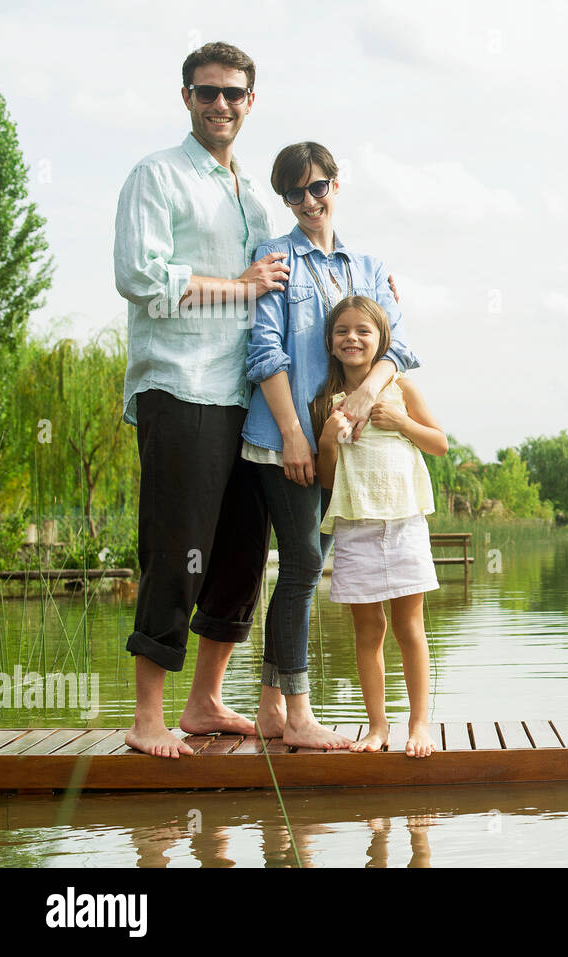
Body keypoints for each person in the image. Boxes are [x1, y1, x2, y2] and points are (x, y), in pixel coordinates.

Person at [115, 41, 286, 758]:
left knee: (246, 549)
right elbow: (141, 278)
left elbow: (282, 278)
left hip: (243, 394)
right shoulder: (156, 176)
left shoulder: (252, 194)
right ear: (186, 97)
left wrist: (366, 290)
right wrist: (241, 286)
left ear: (251, 101)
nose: (221, 104)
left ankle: (205, 701)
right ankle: (147, 716)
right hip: (180, 384)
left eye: (234, 93)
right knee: (178, 547)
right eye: (207, 91)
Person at [241, 142, 419, 750]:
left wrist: (365, 398)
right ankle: (297, 716)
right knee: (303, 566)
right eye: (295, 193)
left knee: (300, 569)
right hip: (283, 440)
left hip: (343, 447)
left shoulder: (366, 267)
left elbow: (399, 346)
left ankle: (269, 711)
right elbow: (264, 353)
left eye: (318, 188)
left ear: (336, 186)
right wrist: (294, 434)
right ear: (285, 200)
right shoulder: (274, 258)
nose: (309, 202)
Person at [315, 296, 446, 758]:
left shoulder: (402, 389)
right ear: (331, 344)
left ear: (381, 340)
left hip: (405, 522)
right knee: (368, 631)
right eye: (342, 331)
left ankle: (419, 724)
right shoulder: (328, 401)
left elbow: (440, 444)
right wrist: (328, 442)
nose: (352, 338)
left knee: (410, 627)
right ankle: (376, 726)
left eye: (363, 331)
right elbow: (327, 480)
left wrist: (403, 422)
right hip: (356, 528)